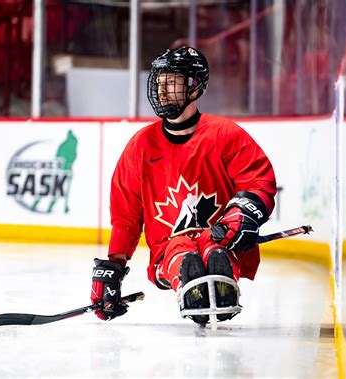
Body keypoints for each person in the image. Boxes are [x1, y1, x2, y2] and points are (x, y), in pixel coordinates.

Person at [90, 46, 277, 325]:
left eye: (171, 82)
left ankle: (220, 276)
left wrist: (246, 211)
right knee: (181, 254)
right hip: (168, 247)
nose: (161, 91)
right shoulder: (141, 145)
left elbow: (259, 180)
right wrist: (113, 268)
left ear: (194, 87)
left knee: (215, 248)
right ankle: (192, 280)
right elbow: (126, 217)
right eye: (159, 82)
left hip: (221, 235)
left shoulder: (225, 134)